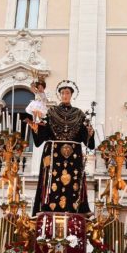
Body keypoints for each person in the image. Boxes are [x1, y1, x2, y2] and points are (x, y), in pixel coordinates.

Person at [26, 79, 96, 215]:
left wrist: (89, 133)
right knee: (52, 183)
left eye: (67, 93)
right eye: (62, 93)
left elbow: (87, 141)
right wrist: (36, 127)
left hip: (73, 157)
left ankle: (75, 209)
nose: (65, 95)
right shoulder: (52, 112)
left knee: (73, 184)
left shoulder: (79, 114)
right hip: (54, 155)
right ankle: (47, 208)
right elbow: (42, 136)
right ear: (59, 95)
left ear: (71, 95)